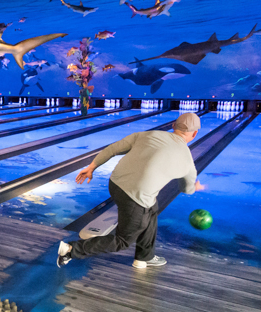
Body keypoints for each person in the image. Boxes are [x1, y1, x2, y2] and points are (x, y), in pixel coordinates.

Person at [57, 112, 206, 270]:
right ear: (195, 134)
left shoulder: (146, 135)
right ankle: (71, 250)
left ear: (173, 126)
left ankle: (144, 257)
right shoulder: (188, 161)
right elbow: (187, 189)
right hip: (135, 197)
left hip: (115, 184)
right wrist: (195, 186)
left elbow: (112, 149)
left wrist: (91, 168)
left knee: (152, 209)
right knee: (122, 241)